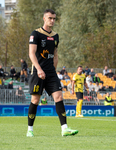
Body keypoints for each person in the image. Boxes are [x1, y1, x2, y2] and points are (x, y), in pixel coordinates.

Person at [27, 9, 78, 137]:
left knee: (59, 97)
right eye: (50, 18)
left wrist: (54, 71)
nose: (52, 20)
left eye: (54, 18)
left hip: (51, 73)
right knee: (35, 100)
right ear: (44, 18)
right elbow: (31, 53)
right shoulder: (36, 34)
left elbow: (55, 54)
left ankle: (64, 129)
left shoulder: (55, 36)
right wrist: (39, 69)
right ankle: (30, 129)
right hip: (38, 72)